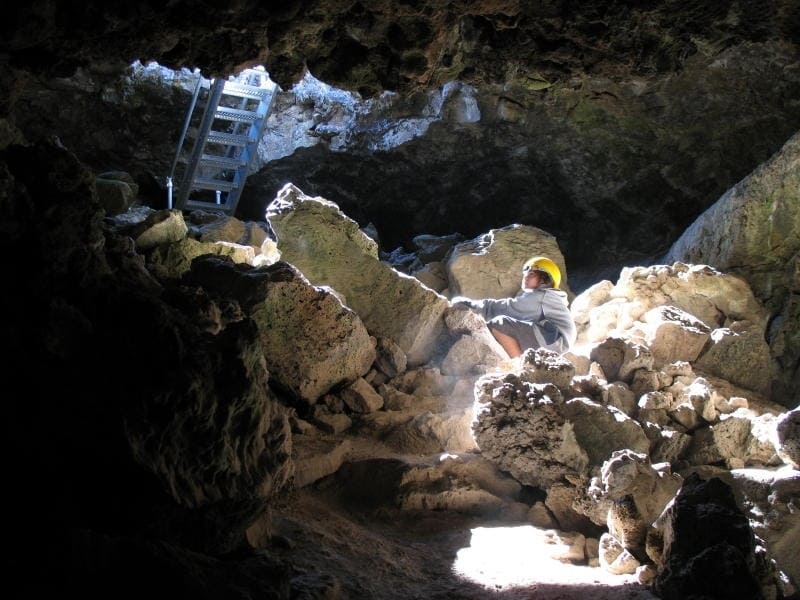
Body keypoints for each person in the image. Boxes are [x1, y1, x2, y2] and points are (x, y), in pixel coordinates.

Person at [450, 256, 577, 358]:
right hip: (554, 340)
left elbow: (508, 308)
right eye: (525, 273)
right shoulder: (550, 298)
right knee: (506, 327)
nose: (526, 276)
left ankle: (518, 369)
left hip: (554, 339)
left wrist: (469, 305)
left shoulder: (542, 296)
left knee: (499, 323)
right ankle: (524, 363)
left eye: (532, 274)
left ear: (544, 280)